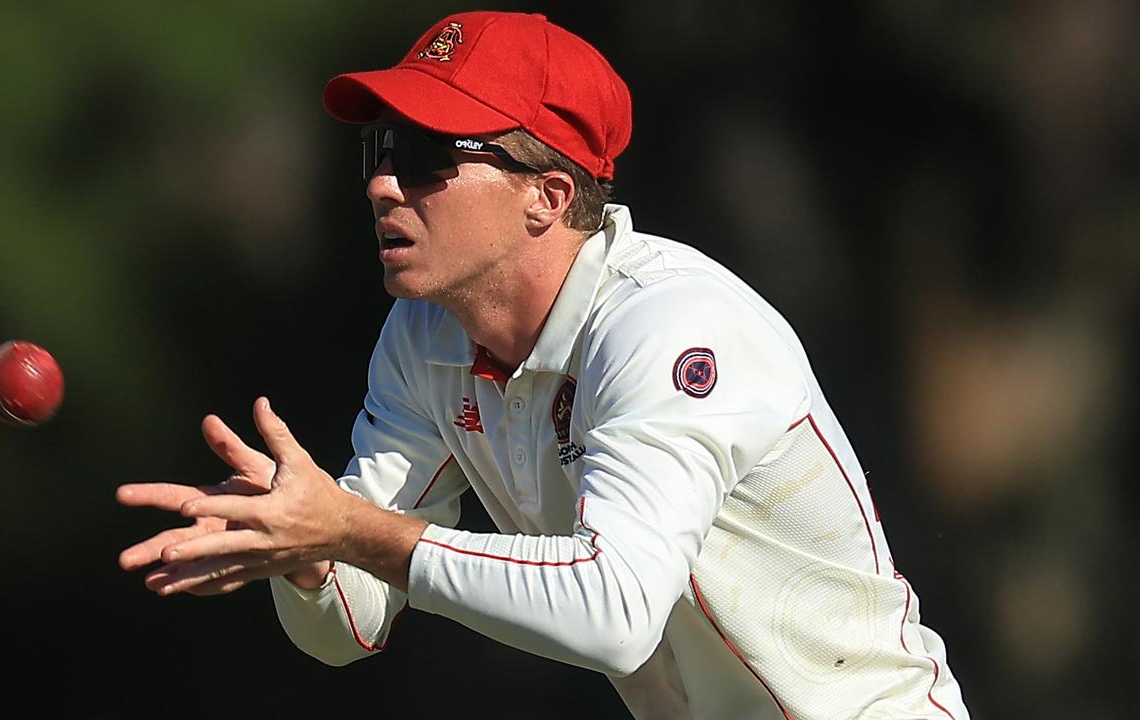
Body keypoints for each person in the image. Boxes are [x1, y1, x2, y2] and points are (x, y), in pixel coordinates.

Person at [117, 11, 970, 719]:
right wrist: (300, 550)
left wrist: (354, 530)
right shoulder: (423, 337)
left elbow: (615, 614)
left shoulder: (670, 329)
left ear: (548, 196)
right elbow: (348, 621)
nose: (383, 186)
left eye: (426, 158)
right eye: (381, 151)